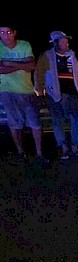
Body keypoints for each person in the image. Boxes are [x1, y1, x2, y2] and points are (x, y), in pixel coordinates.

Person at [34, 31, 78, 160]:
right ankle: (63, 147)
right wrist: (41, 92)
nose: (66, 43)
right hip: (55, 93)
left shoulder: (71, 55)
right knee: (58, 120)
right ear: (56, 43)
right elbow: (39, 74)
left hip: (72, 92)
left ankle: (75, 145)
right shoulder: (47, 56)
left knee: (76, 119)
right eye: (63, 41)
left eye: (66, 41)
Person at [0, 24, 48, 164]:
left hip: (27, 90)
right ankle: (21, 152)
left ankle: (39, 153)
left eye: (8, 32)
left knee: (35, 122)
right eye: (2, 32)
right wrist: (21, 64)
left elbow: (32, 66)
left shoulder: (24, 45)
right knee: (15, 123)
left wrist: (9, 63)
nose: (5, 35)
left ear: (14, 33)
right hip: (7, 90)